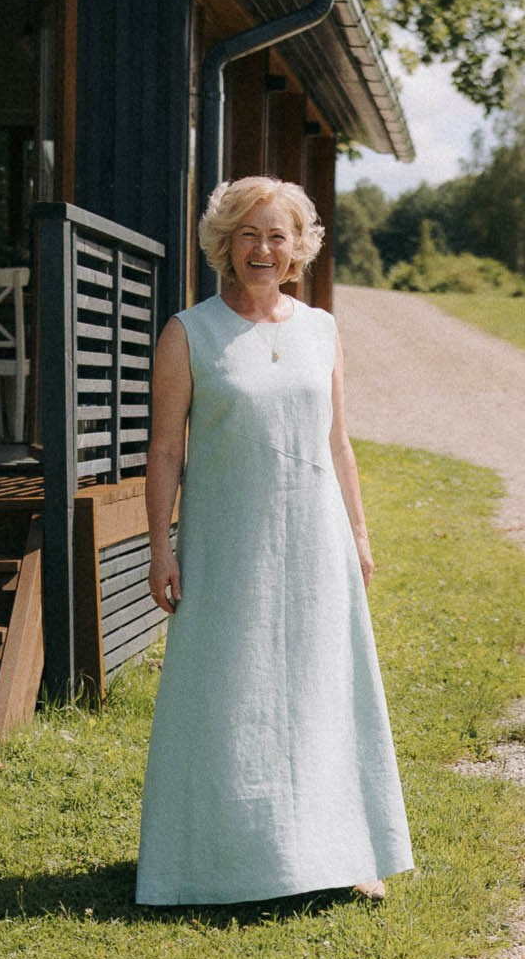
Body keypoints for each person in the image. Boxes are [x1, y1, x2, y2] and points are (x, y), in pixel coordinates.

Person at [135, 176, 413, 905]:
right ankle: (217, 861)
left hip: (315, 538)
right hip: (229, 543)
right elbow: (165, 451)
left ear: (298, 248)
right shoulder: (188, 333)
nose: (263, 248)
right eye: (249, 233)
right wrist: (161, 547)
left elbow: (339, 443)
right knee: (230, 690)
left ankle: (345, 850)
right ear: (224, 244)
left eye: (277, 235)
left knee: (325, 686)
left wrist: (359, 532)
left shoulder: (321, 328)